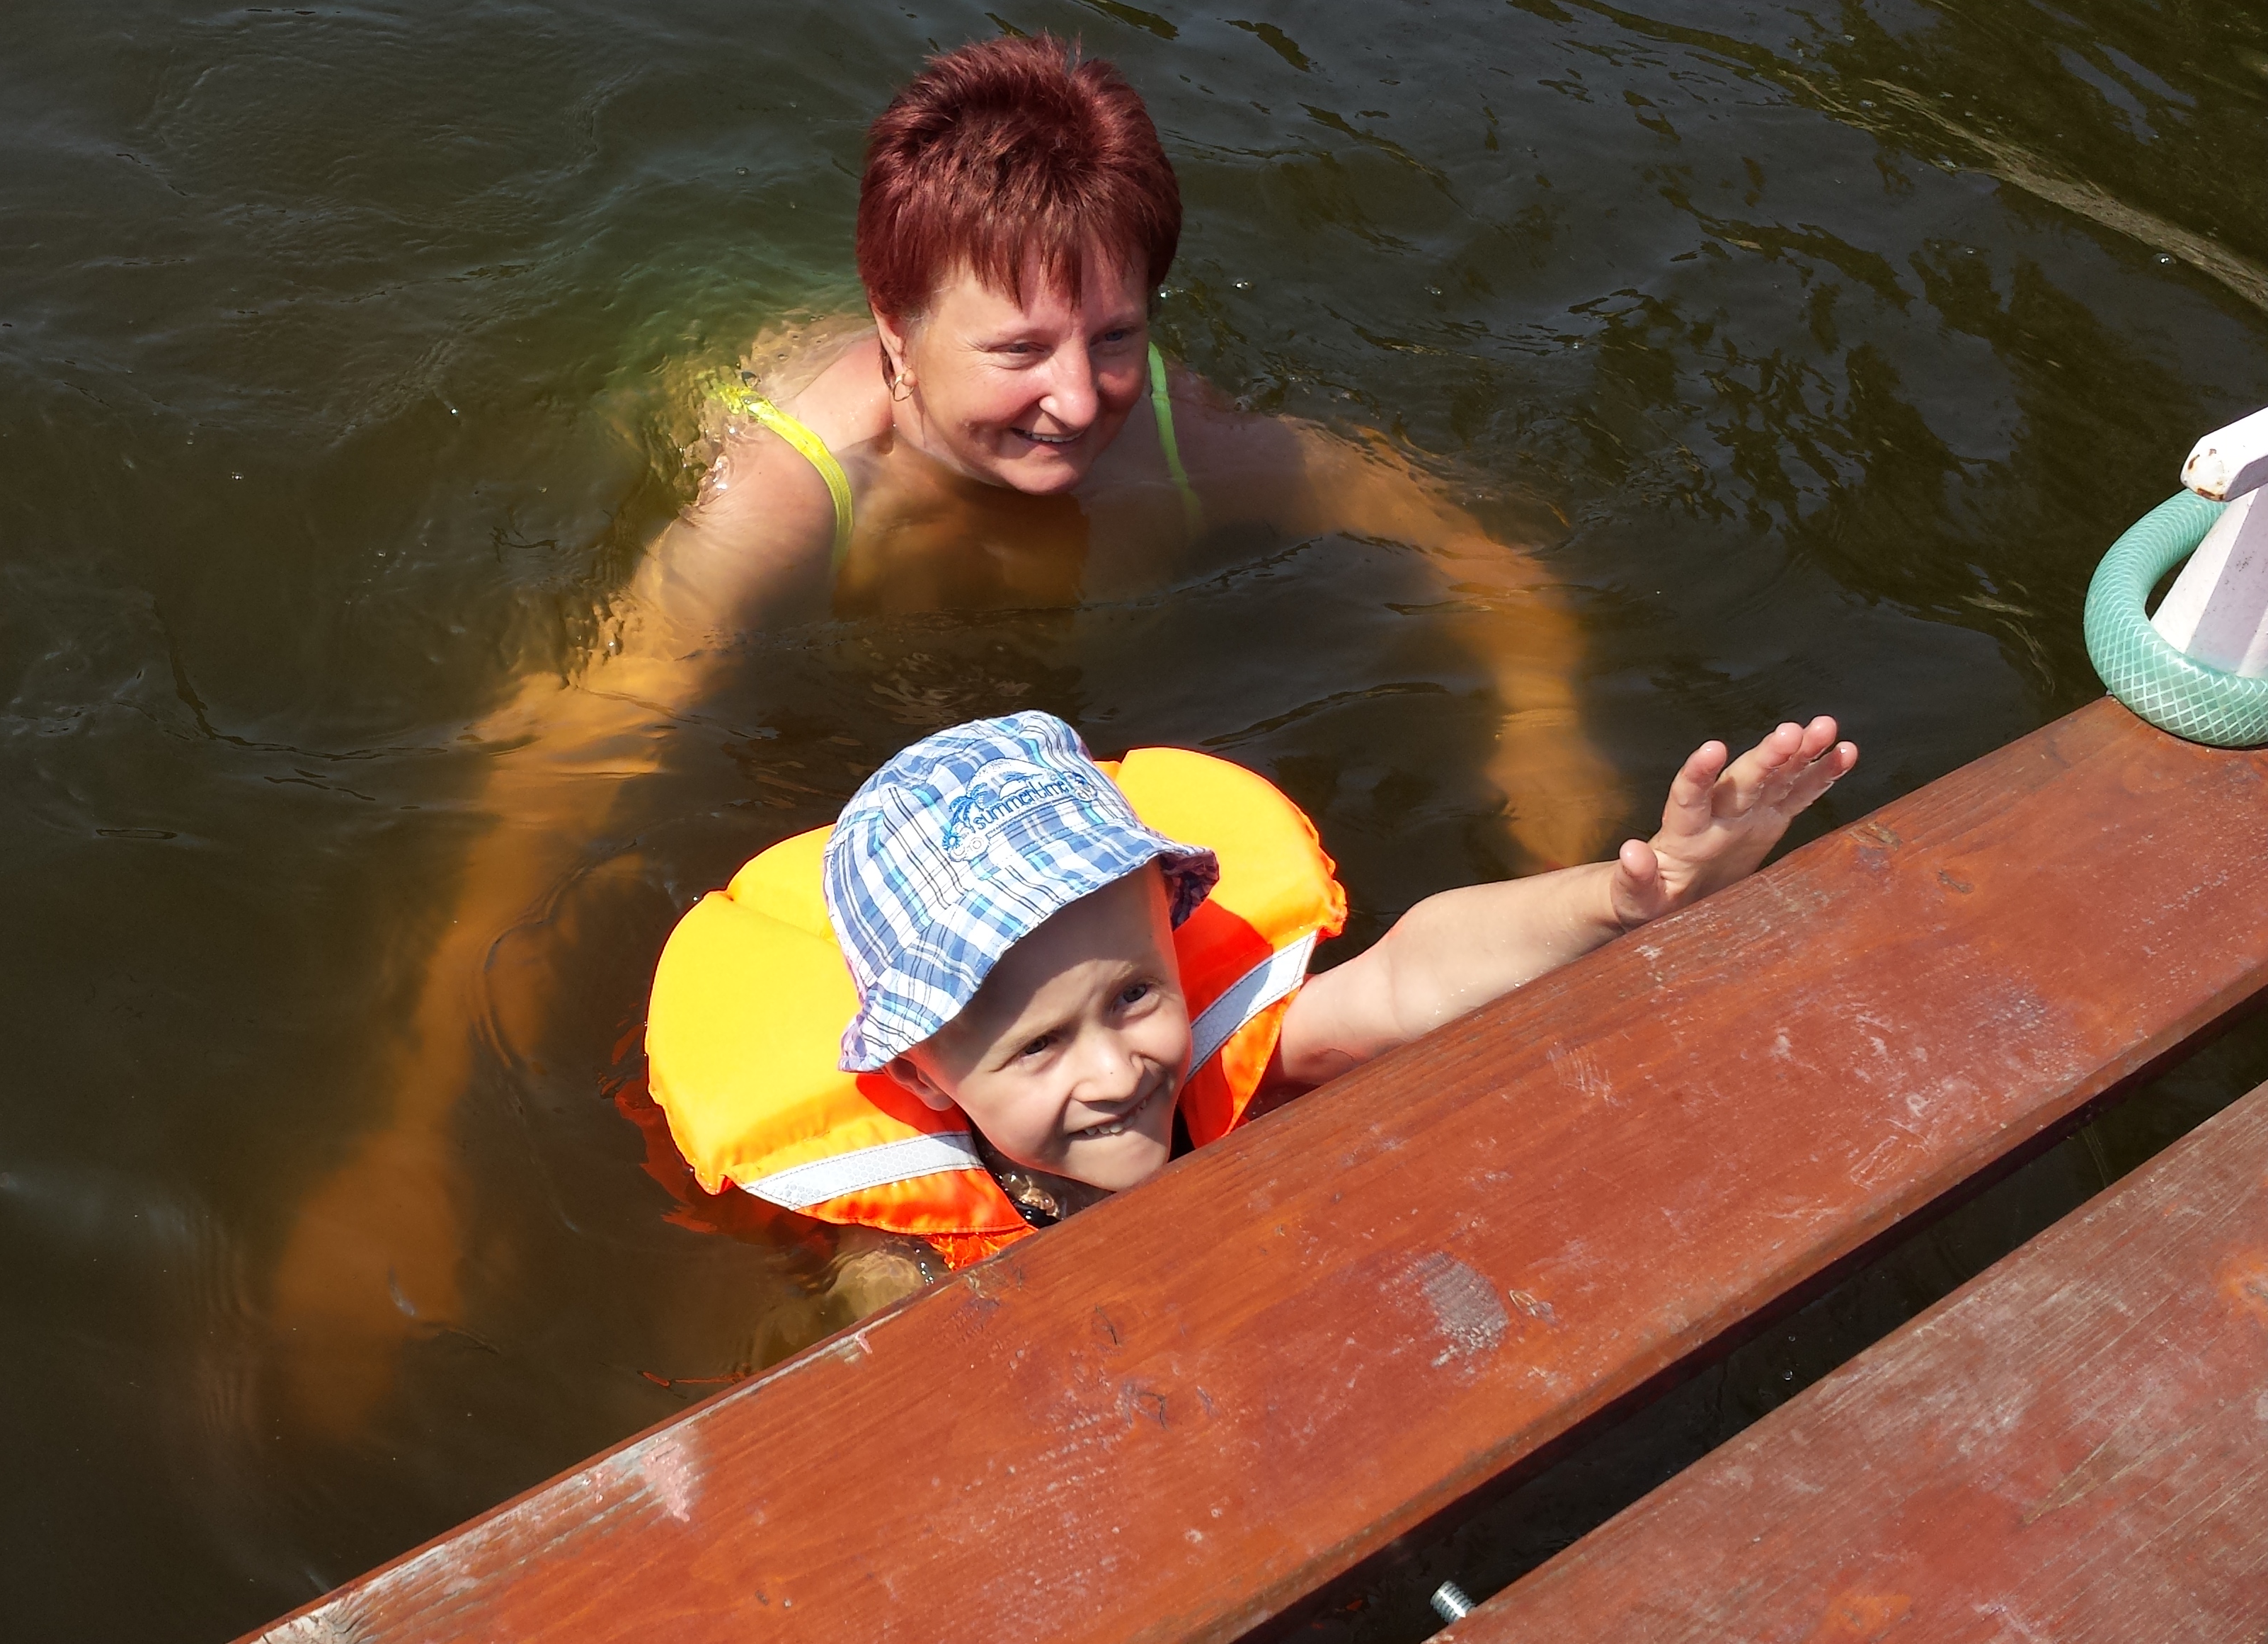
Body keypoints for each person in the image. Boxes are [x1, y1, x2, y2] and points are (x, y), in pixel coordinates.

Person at [268, 34, 1628, 1437]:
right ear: (894, 334)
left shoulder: (1179, 439)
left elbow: (1482, 560)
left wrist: (1546, 740)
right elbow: (553, 772)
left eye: (1116, 336)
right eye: (1019, 349)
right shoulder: (783, 502)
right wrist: (409, 1127)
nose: (1080, 399)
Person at [647, 710, 1856, 1298]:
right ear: (921, 1074)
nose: (1118, 1070)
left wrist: (1631, 898)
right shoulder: (904, 1257)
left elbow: (1410, 973)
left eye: (1134, 993)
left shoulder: (1225, 1075)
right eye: (1040, 1044)